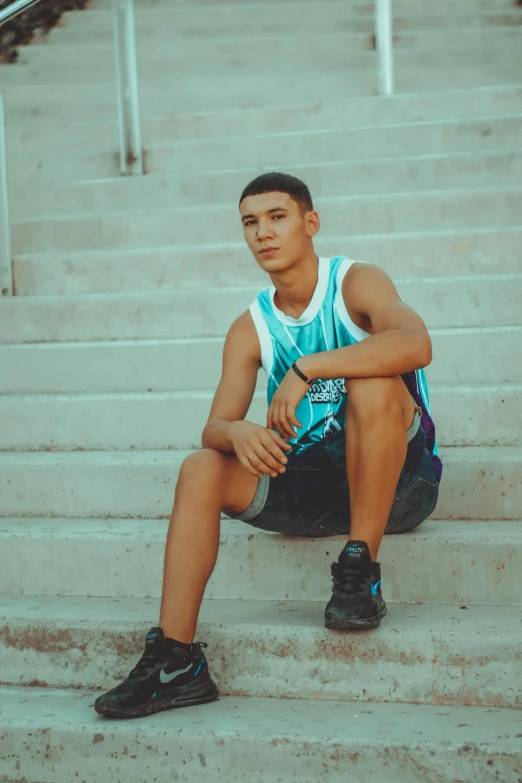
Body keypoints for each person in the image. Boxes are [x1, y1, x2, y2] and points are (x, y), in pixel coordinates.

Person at [94, 171, 442, 719]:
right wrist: (237, 432)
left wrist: (306, 368)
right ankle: (176, 661)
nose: (263, 233)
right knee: (201, 467)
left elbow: (415, 343)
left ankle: (359, 569)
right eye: (250, 223)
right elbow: (214, 427)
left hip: (401, 483)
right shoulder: (250, 325)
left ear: (310, 223)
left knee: (373, 382)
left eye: (277, 217)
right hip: (313, 485)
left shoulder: (354, 283)